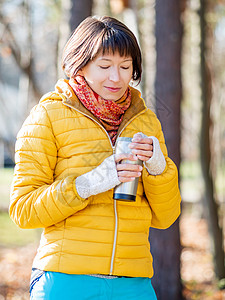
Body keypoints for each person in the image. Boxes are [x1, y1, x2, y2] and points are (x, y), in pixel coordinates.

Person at [9, 16, 181, 300]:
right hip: (65, 279)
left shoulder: (147, 122)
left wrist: (158, 167)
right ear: (79, 64)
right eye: (104, 66)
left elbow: (166, 217)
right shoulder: (48, 116)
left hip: (133, 282)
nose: (116, 77)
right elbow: (23, 210)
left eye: (126, 67)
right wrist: (88, 183)